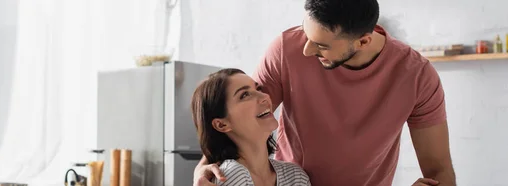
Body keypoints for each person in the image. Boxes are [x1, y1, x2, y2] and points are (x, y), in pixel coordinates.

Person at [193, 0, 456, 185]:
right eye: (306, 33)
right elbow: (241, 120)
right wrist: (203, 167)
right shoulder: (286, 49)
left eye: (320, 45)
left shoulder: (417, 76)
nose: (306, 50)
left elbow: (438, 168)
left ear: (363, 40)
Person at [190, 68, 311, 186]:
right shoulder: (231, 175)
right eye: (245, 95)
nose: (265, 97)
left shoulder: (295, 175)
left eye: (258, 89)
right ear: (222, 124)